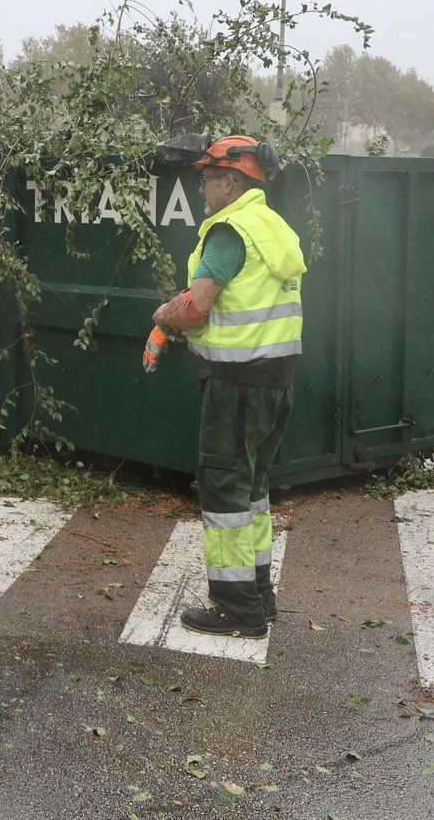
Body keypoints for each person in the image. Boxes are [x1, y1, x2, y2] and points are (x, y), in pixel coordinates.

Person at [150, 135, 305, 640]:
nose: (202, 189)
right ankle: (259, 594)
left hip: (236, 385)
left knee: (223, 492)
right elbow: (230, 294)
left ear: (231, 181)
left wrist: (163, 318)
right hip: (276, 382)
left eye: (207, 179)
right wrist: (180, 312)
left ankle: (237, 611)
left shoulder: (228, 231)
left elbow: (199, 307)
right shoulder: (272, 226)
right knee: (253, 488)